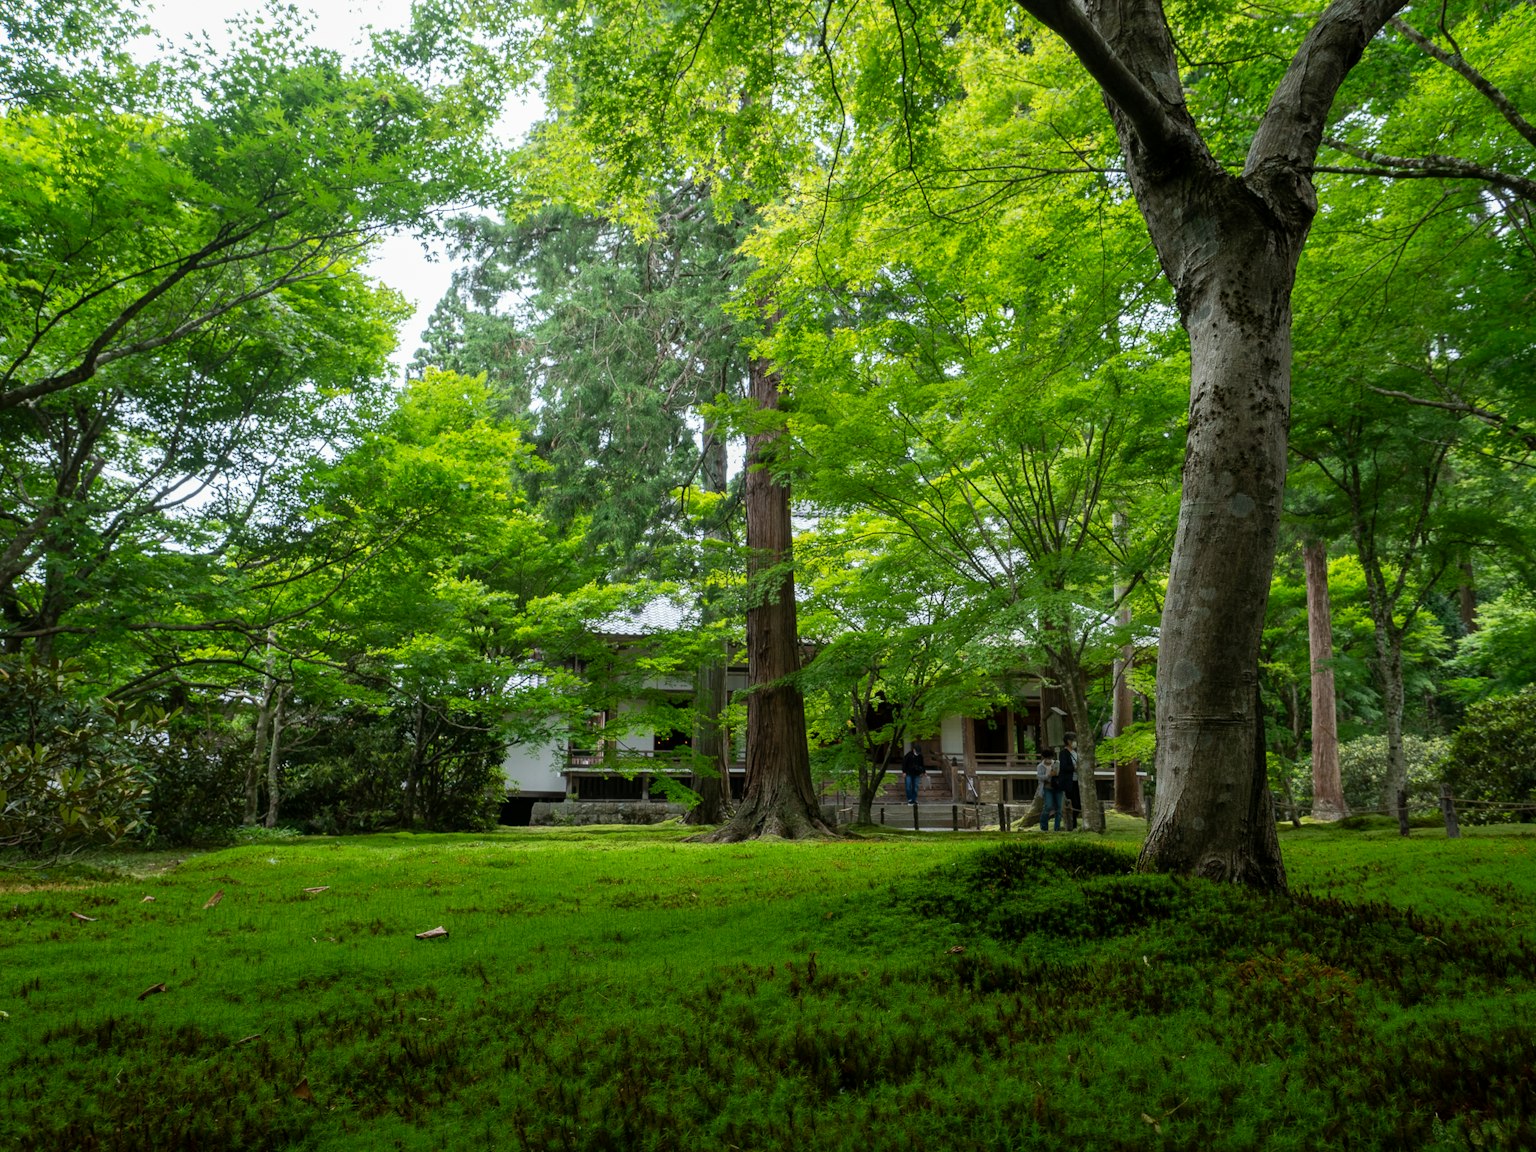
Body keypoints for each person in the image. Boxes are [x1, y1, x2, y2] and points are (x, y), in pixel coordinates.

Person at [1060, 732, 1081, 831]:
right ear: (1068, 741)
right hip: (1069, 781)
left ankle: (1074, 823)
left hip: (1077, 781)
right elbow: (1063, 767)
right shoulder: (1063, 753)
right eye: (1073, 740)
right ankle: (1072, 825)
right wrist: (1074, 767)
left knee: (1079, 804)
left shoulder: (1075, 752)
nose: (1075, 742)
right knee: (1073, 803)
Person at [1037, 752, 1061, 832]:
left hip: (1057, 787)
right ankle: (1044, 826)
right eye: (1046, 758)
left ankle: (1057, 828)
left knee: (1059, 807)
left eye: (1049, 758)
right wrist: (1049, 775)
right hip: (1047, 787)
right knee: (1048, 806)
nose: (1048, 760)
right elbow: (1040, 777)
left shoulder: (1057, 763)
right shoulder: (1040, 766)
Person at [901, 741, 926, 805]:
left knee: (915, 787)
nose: (917, 753)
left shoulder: (920, 756)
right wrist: (904, 772)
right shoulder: (908, 755)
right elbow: (904, 764)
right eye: (916, 751)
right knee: (908, 786)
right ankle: (909, 799)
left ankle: (914, 799)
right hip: (908, 773)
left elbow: (922, 764)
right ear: (913, 750)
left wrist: (924, 771)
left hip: (916, 773)